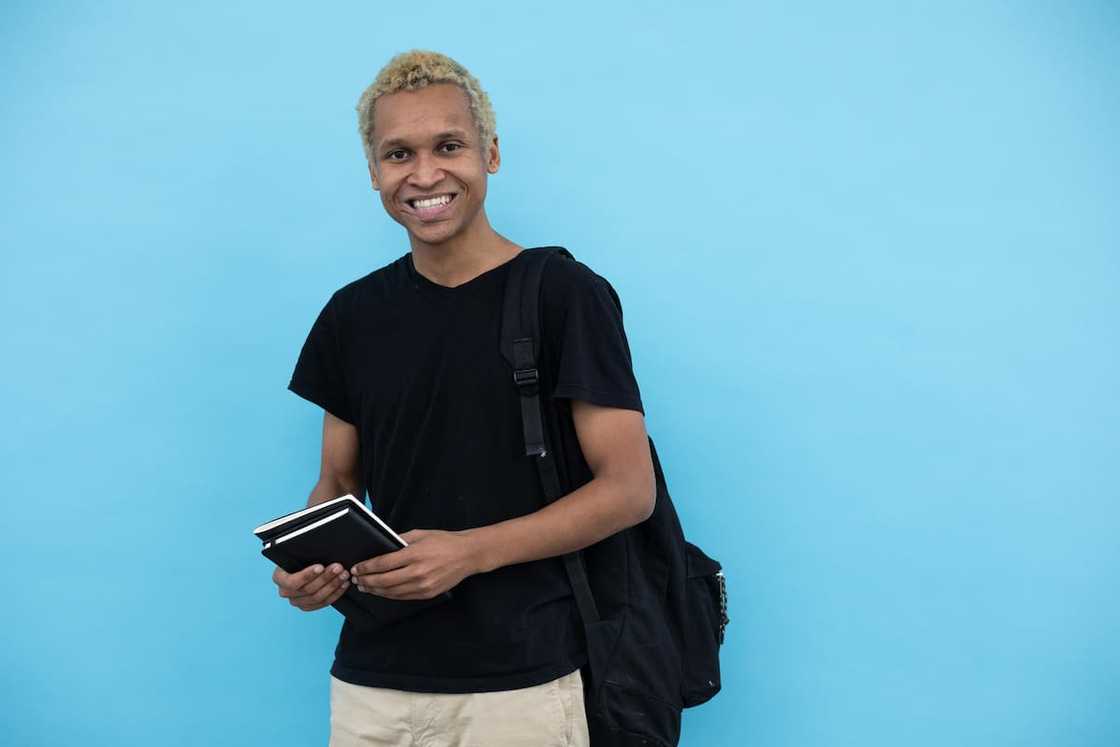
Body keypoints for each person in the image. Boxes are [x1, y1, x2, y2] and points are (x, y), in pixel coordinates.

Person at [273, 49, 655, 746]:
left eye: (448, 146)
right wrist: (312, 565)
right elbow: (336, 483)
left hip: (523, 681)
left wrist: (469, 551)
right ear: (373, 172)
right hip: (371, 684)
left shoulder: (564, 295)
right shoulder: (351, 314)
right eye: (398, 154)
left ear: (492, 154)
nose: (424, 174)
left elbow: (630, 489)